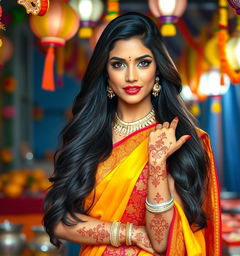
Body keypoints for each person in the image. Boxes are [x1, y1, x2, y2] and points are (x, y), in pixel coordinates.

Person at [43, 12, 221, 256]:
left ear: (158, 70)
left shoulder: (181, 140)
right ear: (106, 73)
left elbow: (161, 241)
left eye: (143, 63)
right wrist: (132, 233)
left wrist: (157, 163)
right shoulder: (87, 136)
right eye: (118, 64)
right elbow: (58, 220)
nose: (131, 76)